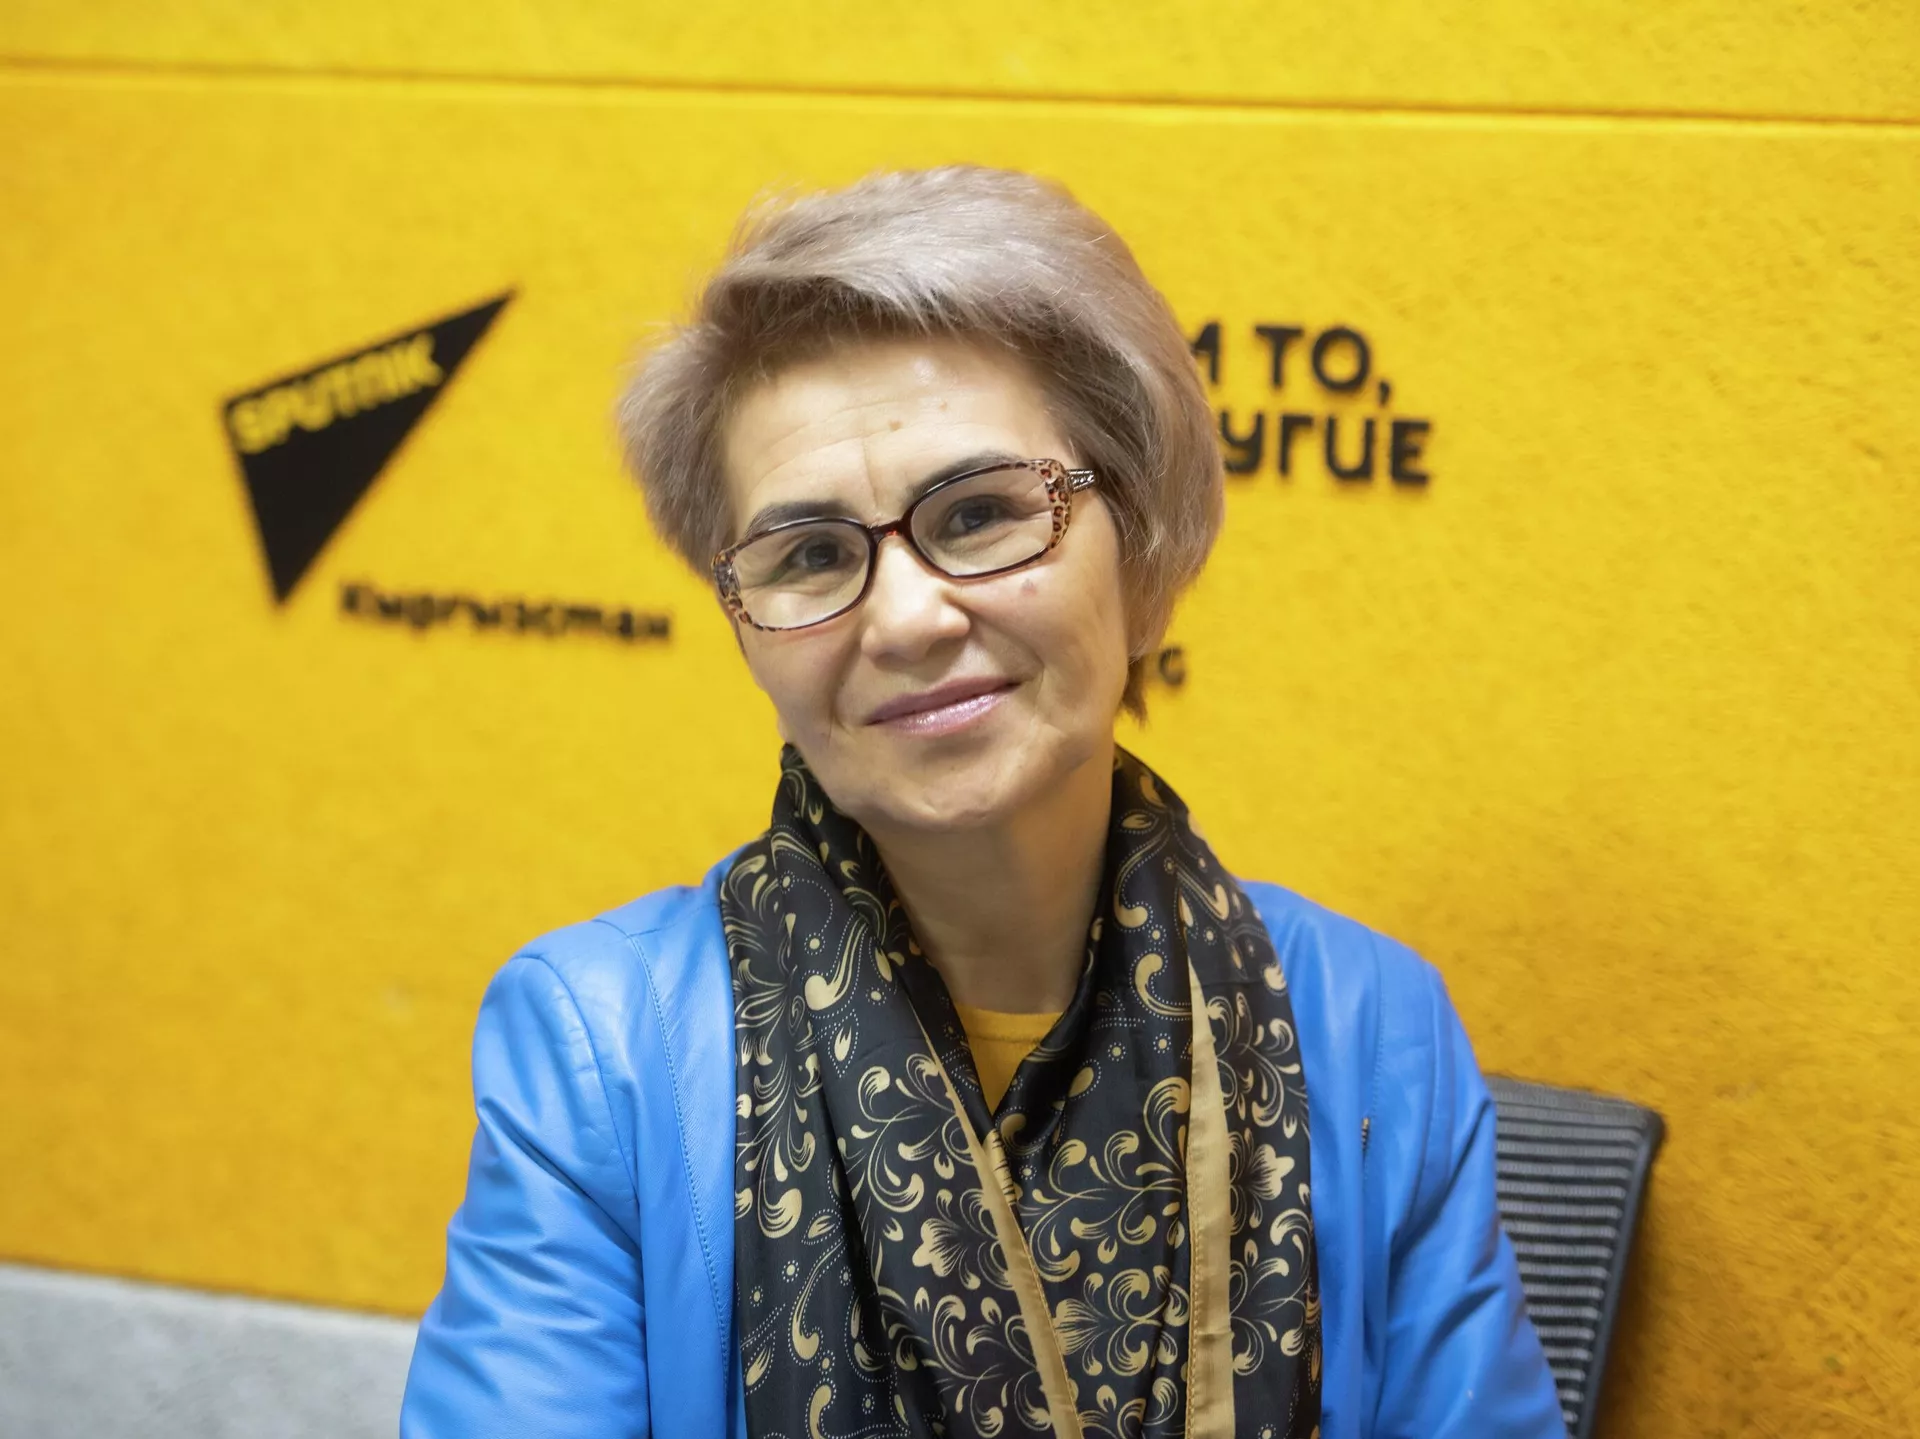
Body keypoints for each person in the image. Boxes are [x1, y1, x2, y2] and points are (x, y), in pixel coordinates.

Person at [401, 166, 1566, 1439]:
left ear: (1146, 553)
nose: (907, 618)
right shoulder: (602, 1048)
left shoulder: (1370, 1021)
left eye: (981, 514)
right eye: (810, 555)